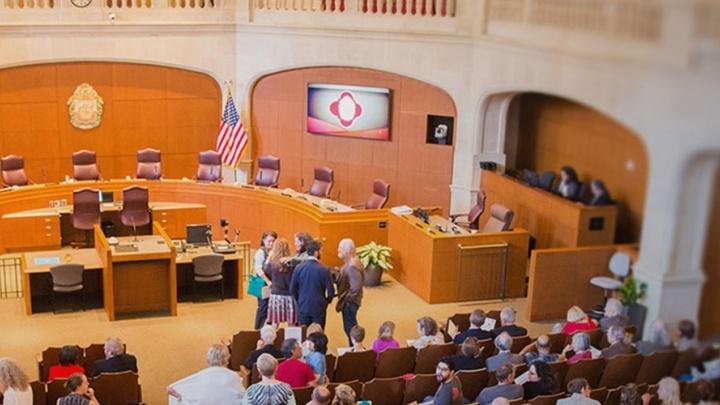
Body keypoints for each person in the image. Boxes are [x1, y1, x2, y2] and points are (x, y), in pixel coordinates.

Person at [167, 343, 245, 404]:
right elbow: (242, 398)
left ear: (208, 358)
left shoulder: (201, 376)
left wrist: (178, 395)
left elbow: (193, 397)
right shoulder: (233, 376)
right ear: (227, 358)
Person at [289, 240, 335, 329]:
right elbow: (331, 292)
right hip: (319, 306)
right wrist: (326, 301)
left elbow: (292, 289)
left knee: (303, 332)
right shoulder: (324, 270)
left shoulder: (299, 268)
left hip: (303, 304)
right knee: (318, 333)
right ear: (316, 253)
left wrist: (299, 299)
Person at [334, 238, 364, 346]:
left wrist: (345, 300)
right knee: (350, 327)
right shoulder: (352, 261)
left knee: (350, 328)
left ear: (348, 250)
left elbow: (355, 289)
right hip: (350, 301)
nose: (338, 250)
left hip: (350, 303)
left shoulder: (352, 266)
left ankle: (355, 350)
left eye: (340, 248)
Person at [265, 238, 298, 326]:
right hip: (289, 295)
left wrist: (269, 257)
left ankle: (272, 339)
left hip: (276, 295)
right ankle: (292, 339)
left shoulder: (272, 263)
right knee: (291, 323)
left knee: (275, 323)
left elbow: (266, 271)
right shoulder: (292, 263)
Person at [253, 230, 277, 330]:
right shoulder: (260, 252)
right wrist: (268, 281)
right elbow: (258, 269)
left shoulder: (274, 252)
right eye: (269, 241)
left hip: (271, 284)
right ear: (263, 240)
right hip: (262, 283)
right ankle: (257, 329)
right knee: (262, 308)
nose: (271, 244)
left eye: (273, 241)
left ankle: (268, 330)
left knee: (271, 308)